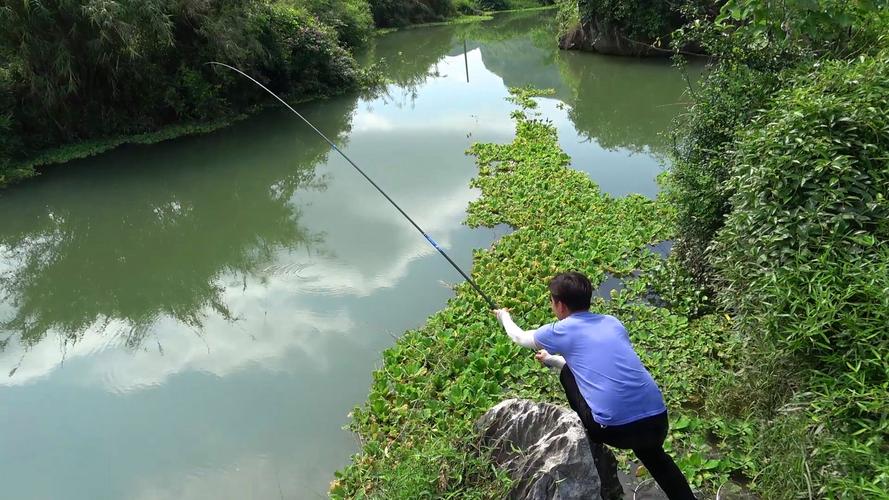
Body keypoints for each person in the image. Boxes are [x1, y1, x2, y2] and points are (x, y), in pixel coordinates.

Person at [494, 271, 696, 500]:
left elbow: (519, 338)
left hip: (615, 431)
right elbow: (599, 365)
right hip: (657, 421)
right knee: (655, 458)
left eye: (551, 300)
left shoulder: (561, 330)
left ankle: (587, 432)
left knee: (569, 373)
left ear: (559, 305)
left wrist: (503, 317)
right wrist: (552, 360)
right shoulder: (612, 322)